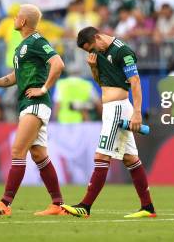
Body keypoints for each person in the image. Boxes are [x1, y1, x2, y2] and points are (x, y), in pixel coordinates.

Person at [0, 4, 66, 216]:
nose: (14, 18)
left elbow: (58, 63)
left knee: (18, 150)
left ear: (24, 21)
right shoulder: (22, 46)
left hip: (35, 103)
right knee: (39, 154)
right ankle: (57, 204)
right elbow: (15, 77)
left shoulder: (37, 41)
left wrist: (44, 88)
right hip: (27, 103)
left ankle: (4, 204)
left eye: (17, 16)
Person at [61, 26, 155, 219]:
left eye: (91, 48)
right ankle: (148, 207)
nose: (92, 52)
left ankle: (85, 206)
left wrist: (137, 113)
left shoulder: (122, 51)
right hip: (110, 108)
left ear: (97, 37)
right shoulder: (99, 52)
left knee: (101, 156)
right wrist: (93, 67)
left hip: (118, 108)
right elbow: (101, 82)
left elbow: (135, 81)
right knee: (130, 159)